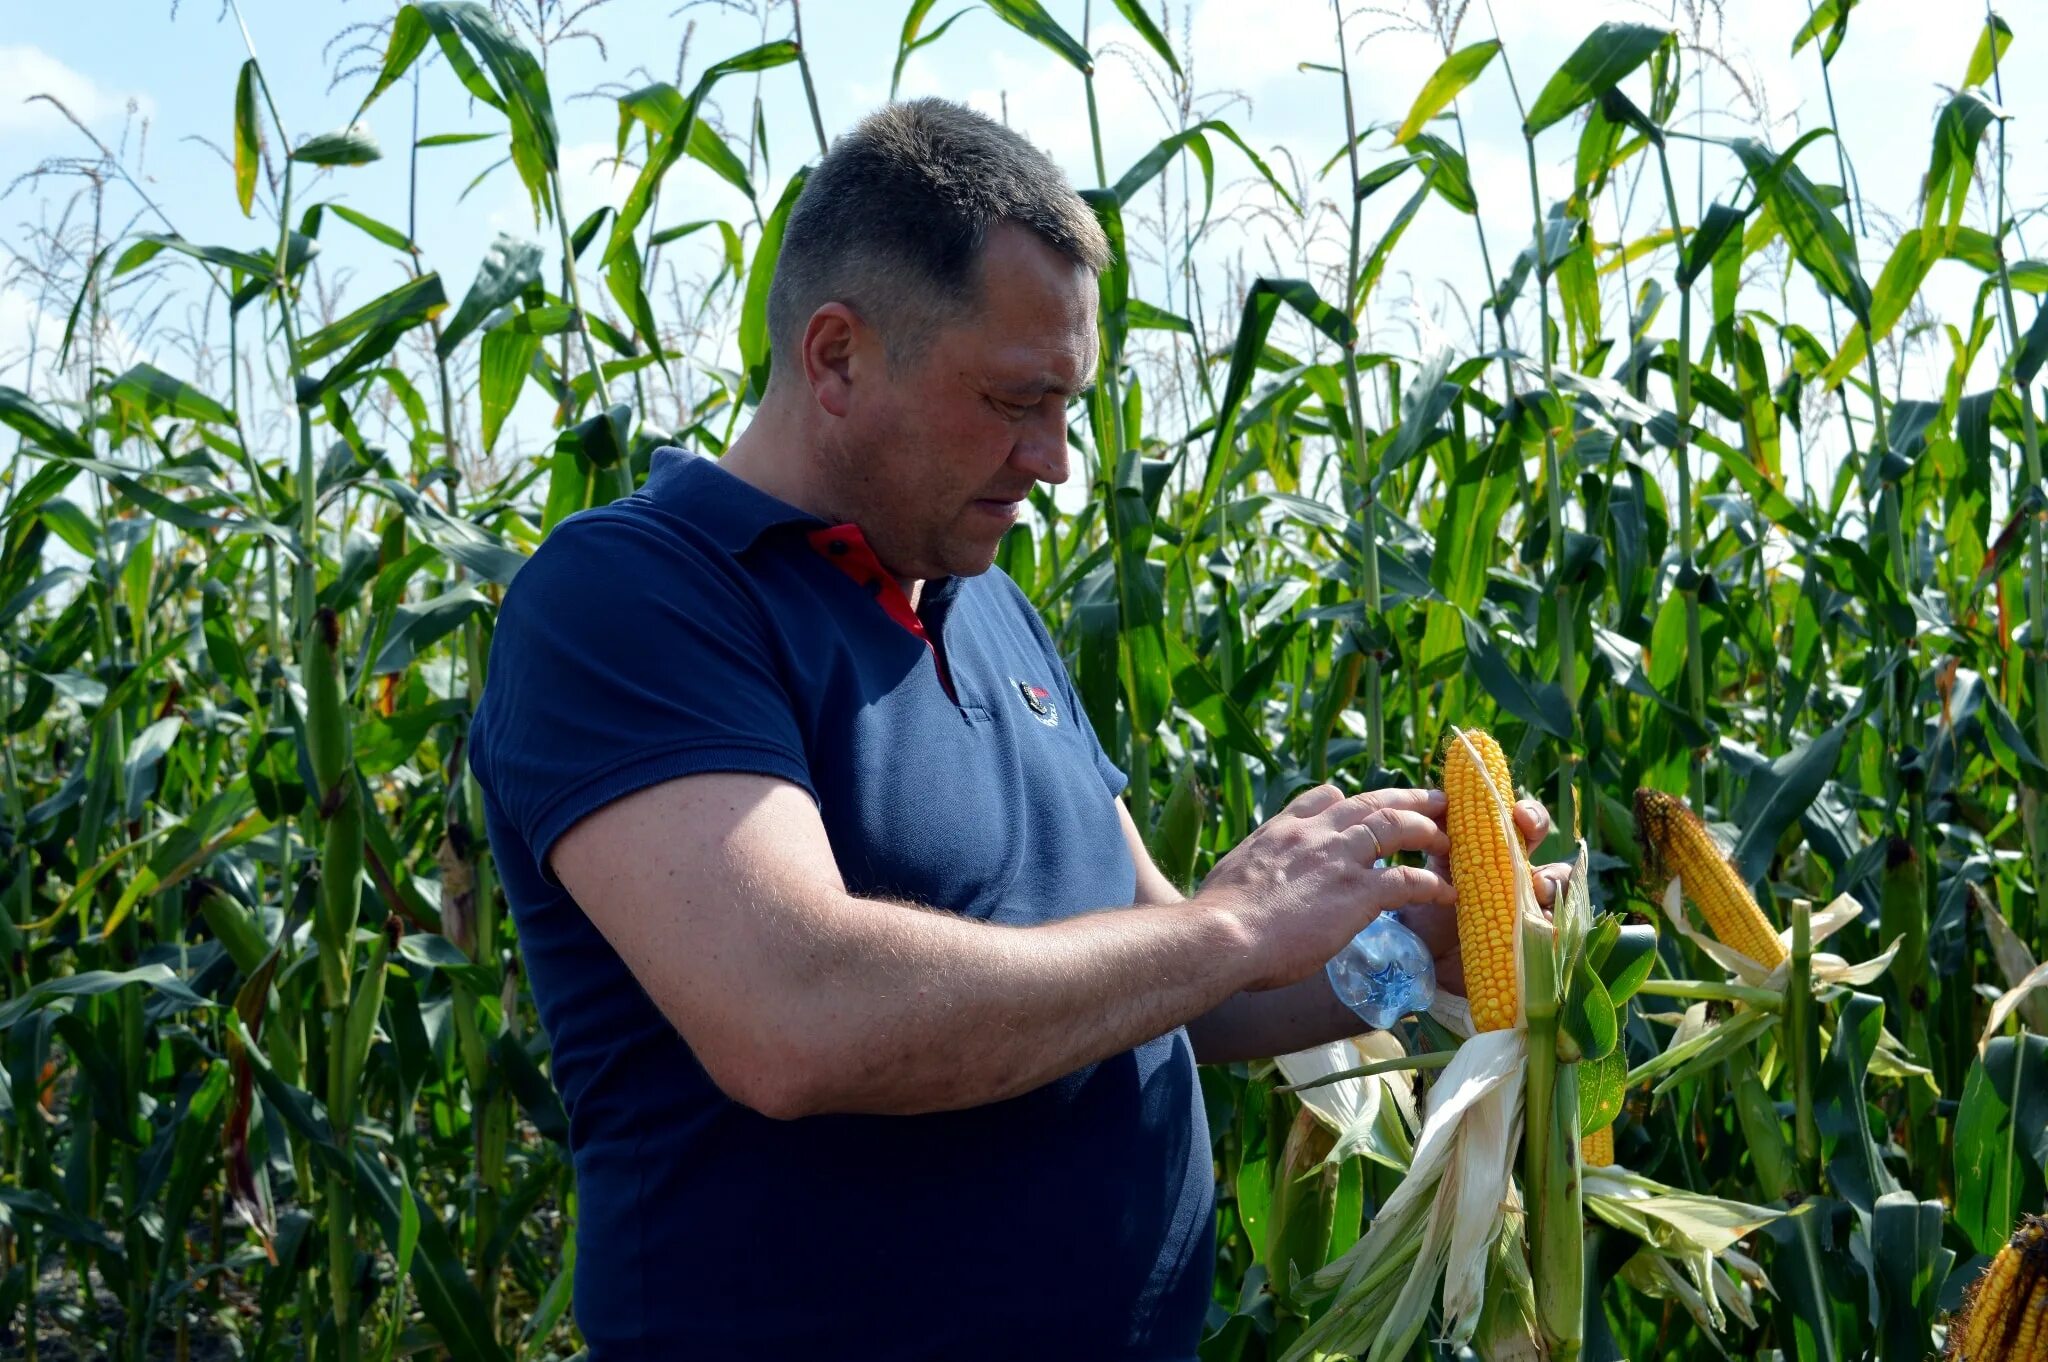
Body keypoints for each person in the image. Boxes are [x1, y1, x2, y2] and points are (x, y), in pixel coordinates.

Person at [467, 97, 1564, 1361]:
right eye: (1014, 400)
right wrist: (1233, 922)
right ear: (835, 357)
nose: (1051, 462)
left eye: (1070, 406)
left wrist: (1407, 953)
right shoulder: (636, 599)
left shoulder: (984, 606)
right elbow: (792, 1011)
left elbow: (1171, 983)